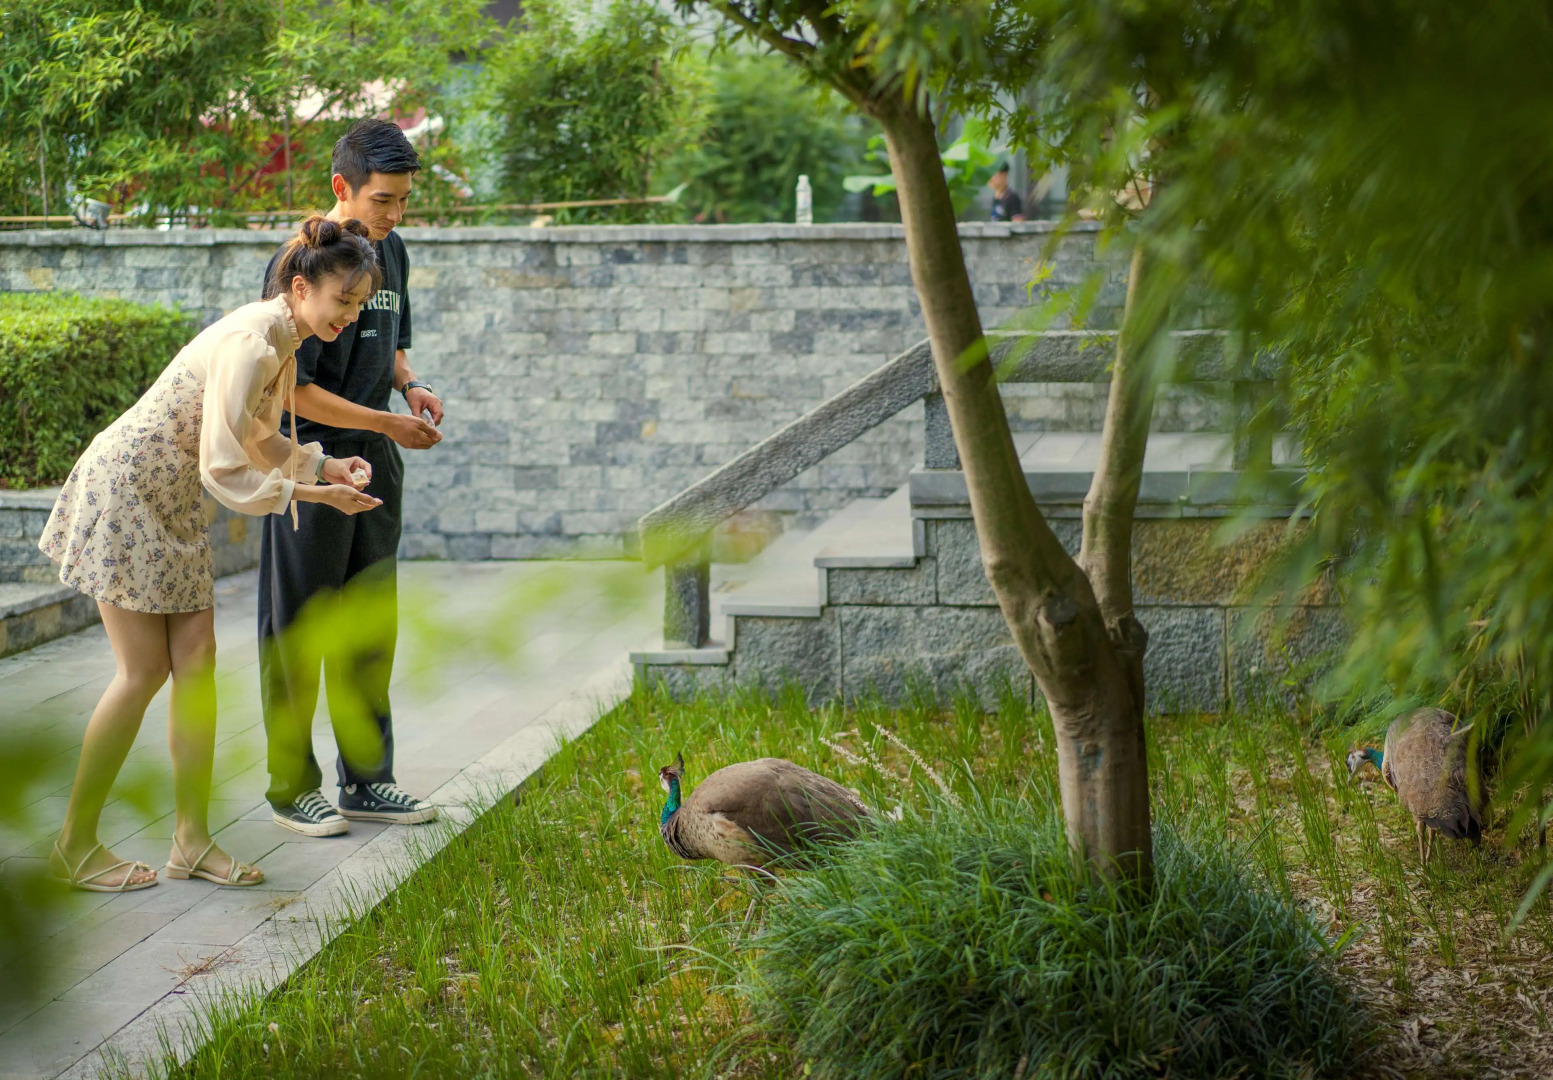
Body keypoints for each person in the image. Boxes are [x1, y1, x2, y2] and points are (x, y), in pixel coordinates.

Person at [39, 216, 384, 892]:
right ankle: (74, 845)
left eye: (359, 304)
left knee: (195, 663)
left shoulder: (282, 341)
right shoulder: (254, 343)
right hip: (133, 487)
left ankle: (191, 842)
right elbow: (226, 468)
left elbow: (255, 437)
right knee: (141, 673)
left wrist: (325, 465)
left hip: (172, 497)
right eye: (342, 299)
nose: (349, 314)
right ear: (300, 285)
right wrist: (313, 495)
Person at [259, 118, 445, 837]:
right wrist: (385, 425)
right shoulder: (296, 263)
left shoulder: (389, 250)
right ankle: (288, 787)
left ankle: (368, 782)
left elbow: (393, 340)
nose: (394, 216)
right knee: (300, 624)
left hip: (377, 453)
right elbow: (290, 394)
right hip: (307, 462)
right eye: (382, 201)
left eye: (402, 202)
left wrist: (410, 386)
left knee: (369, 623)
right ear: (341, 187)